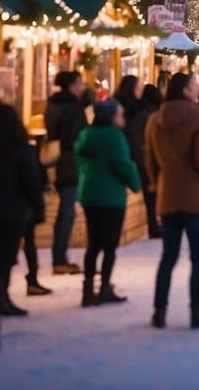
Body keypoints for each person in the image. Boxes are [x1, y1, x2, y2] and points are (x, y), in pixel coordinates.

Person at [148, 73, 199, 329]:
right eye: (193, 86)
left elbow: (149, 158)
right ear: (185, 90)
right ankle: (198, 310)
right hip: (195, 196)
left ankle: (159, 310)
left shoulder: (155, 119)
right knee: (198, 257)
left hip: (168, 194)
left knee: (168, 256)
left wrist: (158, 182)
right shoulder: (198, 117)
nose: (197, 89)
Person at [0, 104, 44, 318]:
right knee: (5, 255)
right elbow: (31, 182)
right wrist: (37, 208)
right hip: (13, 209)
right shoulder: (23, 150)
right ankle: (1, 298)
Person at [74, 99, 141, 307]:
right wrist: (135, 183)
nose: (123, 118)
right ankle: (104, 286)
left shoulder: (86, 136)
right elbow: (123, 164)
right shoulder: (115, 137)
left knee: (93, 244)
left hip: (89, 194)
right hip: (111, 196)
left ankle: (87, 289)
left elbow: (79, 161)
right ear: (112, 117)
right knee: (109, 245)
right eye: (120, 114)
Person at [46, 71, 87, 275]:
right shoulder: (73, 108)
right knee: (67, 212)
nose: (83, 86)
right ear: (72, 85)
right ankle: (59, 258)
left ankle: (59, 256)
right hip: (70, 163)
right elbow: (78, 138)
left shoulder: (53, 105)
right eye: (80, 83)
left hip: (56, 160)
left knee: (65, 210)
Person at [126, 84, 164, 240]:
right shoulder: (148, 115)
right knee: (151, 193)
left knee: (151, 193)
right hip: (144, 158)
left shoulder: (141, 113)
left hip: (140, 156)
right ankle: (153, 225)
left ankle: (154, 224)